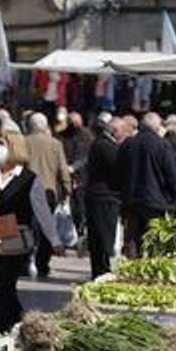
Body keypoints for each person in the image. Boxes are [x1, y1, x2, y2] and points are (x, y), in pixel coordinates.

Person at [0, 129, 56, 335]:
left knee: (6, 282)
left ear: (14, 149)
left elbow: (42, 212)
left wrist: (54, 240)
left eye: (2, 144)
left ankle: (2, 327)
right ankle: (21, 321)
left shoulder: (29, 179)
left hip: (17, 239)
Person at [117, 111, 176, 257]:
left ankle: (132, 271)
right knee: (153, 241)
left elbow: (118, 170)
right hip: (155, 201)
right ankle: (151, 272)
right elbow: (172, 174)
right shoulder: (162, 145)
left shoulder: (128, 144)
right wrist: (175, 198)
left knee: (132, 239)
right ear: (157, 126)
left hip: (131, 199)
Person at [23, 112, 72, 278]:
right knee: (46, 229)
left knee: (27, 226)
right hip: (48, 191)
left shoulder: (24, 142)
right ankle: (42, 264)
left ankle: (24, 262)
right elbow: (63, 169)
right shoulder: (55, 144)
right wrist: (67, 189)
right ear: (45, 127)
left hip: (26, 190)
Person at [80, 112, 124, 280]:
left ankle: (100, 270)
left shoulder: (102, 143)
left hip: (100, 197)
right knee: (103, 237)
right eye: (122, 131)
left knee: (101, 237)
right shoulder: (105, 145)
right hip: (103, 198)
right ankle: (101, 271)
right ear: (114, 130)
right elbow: (119, 167)